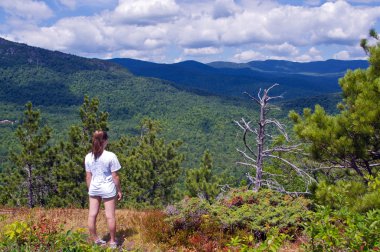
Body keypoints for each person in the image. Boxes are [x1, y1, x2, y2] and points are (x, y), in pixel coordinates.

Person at [85, 130, 122, 248]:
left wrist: (90, 189)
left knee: (92, 215)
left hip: (94, 187)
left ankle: (95, 239)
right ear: (105, 141)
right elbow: (115, 176)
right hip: (108, 188)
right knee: (110, 216)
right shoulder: (111, 156)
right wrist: (119, 190)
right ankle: (112, 242)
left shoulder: (88, 157)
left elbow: (88, 176)